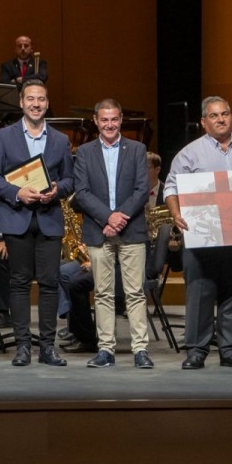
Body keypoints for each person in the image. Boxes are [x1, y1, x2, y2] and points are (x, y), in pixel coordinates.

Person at [164, 96, 232, 370]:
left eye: (225, 114)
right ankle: (196, 351)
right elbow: (171, 188)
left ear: (231, 117)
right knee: (200, 293)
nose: (221, 119)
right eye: (214, 115)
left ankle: (230, 350)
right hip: (202, 236)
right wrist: (176, 214)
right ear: (204, 122)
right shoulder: (189, 154)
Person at [0, 79, 74, 367]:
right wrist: (17, 193)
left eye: (41, 99)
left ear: (47, 103)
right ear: (21, 103)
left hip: (49, 219)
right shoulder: (3, 136)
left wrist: (56, 191)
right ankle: (23, 346)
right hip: (16, 219)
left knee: (50, 284)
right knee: (19, 284)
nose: (36, 104)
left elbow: (70, 180)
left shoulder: (61, 140)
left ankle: (48, 347)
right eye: (31, 99)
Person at [72, 98, 153, 369]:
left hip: (131, 229)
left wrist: (118, 219)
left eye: (114, 119)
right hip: (98, 229)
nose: (110, 124)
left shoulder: (137, 149)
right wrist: (108, 217)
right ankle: (105, 349)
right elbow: (81, 192)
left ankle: (140, 349)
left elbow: (142, 189)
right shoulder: (84, 152)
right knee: (103, 292)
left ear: (121, 120)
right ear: (96, 121)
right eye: (104, 119)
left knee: (135, 292)